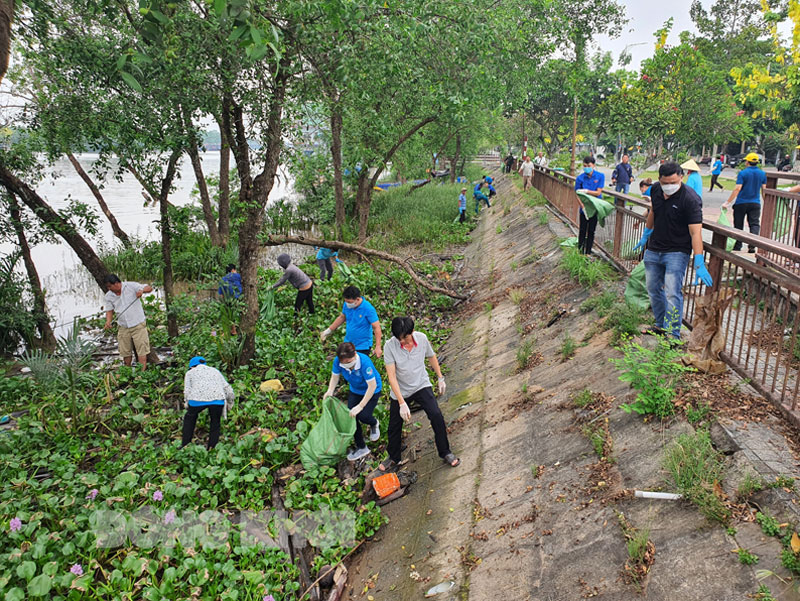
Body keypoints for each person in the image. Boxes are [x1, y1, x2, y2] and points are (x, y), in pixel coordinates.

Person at [632, 161, 712, 340]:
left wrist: (698, 259)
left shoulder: (690, 199)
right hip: (654, 248)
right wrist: (646, 233)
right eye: (665, 183)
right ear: (659, 180)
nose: (669, 187)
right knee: (653, 288)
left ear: (681, 178)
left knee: (672, 292)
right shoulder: (655, 190)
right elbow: (654, 211)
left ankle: (673, 334)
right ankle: (660, 325)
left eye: (673, 182)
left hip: (677, 251)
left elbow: (695, 231)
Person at [379, 317, 458, 471]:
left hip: (421, 384)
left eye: (405, 337)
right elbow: (392, 377)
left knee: (436, 415)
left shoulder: (421, 339)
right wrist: (401, 403)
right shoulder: (389, 346)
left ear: (412, 332)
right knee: (394, 426)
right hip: (400, 390)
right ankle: (394, 457)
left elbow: (431, 356)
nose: (402, 341)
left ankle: (445, 452)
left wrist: (440, 378)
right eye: (398, 338)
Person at [323, 342, 382, 461]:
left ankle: (374, 423)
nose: (346, 365)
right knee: (351, 417)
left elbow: (372, 386)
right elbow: (335, 376)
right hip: (355, 390)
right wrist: (330, 390)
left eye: (348, 362)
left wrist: (360, 406)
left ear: (355, 354)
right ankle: (362, 447)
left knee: (363, 415)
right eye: (343, 363)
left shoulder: (365, 363)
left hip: (372, 390)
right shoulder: (338, 362)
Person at [181, 356, 234, 450]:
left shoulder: (190, 373)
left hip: (196, 399)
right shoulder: (215, 371)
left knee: (190, 417)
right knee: (215, 422)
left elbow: (187, 391)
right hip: (217, 399)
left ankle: (185, 445)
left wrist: (187, 404)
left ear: (192, 366)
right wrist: (230, 403)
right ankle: (212, 448)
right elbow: (228, 389)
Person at [103, 274, 153, 370]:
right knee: (125, 352)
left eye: (110, 286)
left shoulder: (131, 286)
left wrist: (142, 291)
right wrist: (108, 321)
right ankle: (127, 372)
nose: (109, 289)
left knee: (142, 351)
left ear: (117, 283)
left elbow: (149, 288)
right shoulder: (109, 296)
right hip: (123, 327)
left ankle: (141, 375)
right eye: (107, 287)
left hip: (138, 325)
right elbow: (109, 310)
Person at [721, 152, 767, 253]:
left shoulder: (743, 173)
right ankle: (752, 245)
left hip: (741, 202)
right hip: (755, 202)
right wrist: (766, 202)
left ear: (747, 162)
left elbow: (738, 188)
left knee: (738, 224)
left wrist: (728, 202)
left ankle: (738, 245)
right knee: (754, 224)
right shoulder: (762, 174)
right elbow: (764, 190)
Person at [320, 285, 383, 357]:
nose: (347, 304)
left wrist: (378, 346)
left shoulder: (368, 309)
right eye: (346, 302)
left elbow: (376, 327)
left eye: (349, 302)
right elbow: (342, 317)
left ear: (358, 299)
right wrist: (328, 331)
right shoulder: (347, 305)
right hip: (348, 343)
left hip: (362, 346)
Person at [574, 155, 605, 255]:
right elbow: (577, 194)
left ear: (593, 165)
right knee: (582, 230)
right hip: (584, 208)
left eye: (588, 165)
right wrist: (582, 206)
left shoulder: (600, 176)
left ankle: (588, 252)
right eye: (584, 165)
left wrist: (586, 191)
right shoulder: (580, 178)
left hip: (595, 207)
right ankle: (580, 251)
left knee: (591, 230)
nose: (586, 167)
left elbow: (598, 192)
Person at [218, 263, 242, 335]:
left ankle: (232, 330)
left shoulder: (223, 279)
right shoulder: (238, 276)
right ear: (233, 270)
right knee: (238, 314)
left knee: (230, 315)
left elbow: (221, 294)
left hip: (228, 301)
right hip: (239, 299)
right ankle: (236, 330)